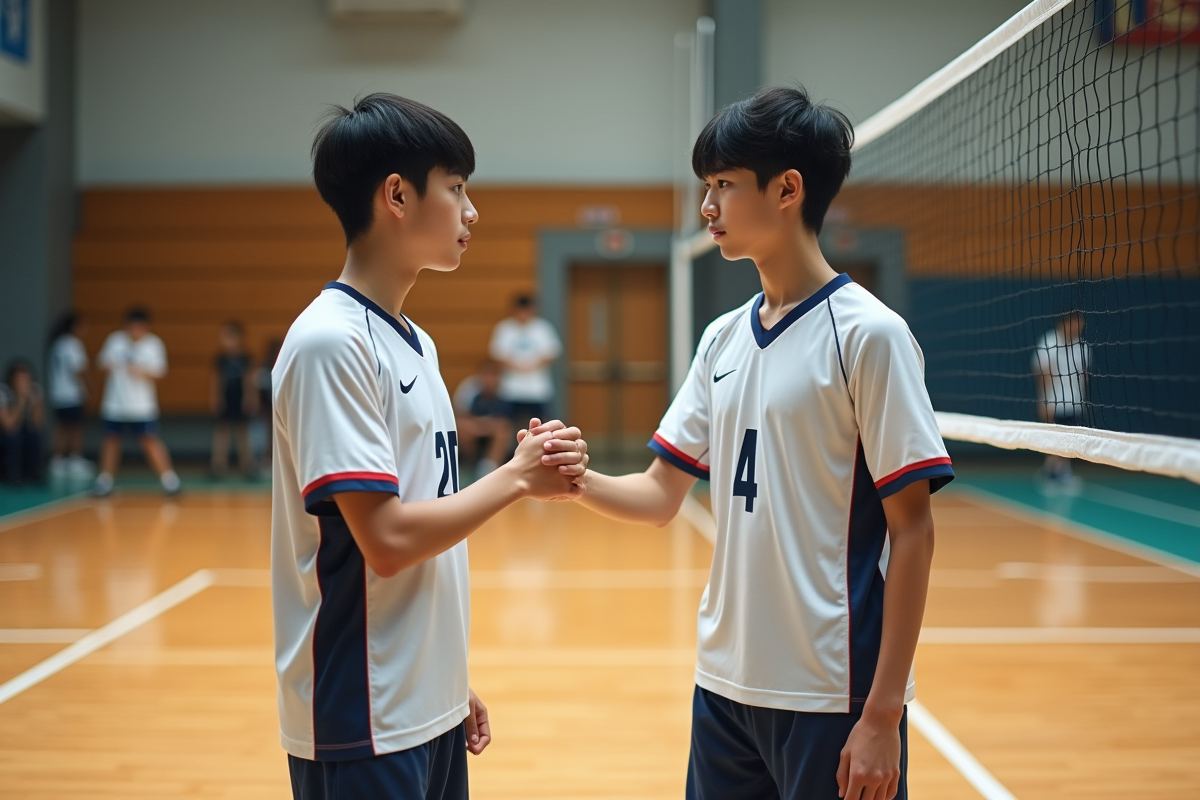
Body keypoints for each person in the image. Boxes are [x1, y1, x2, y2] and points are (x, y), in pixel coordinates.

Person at [561, 87, 953, 800]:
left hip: (831, 694)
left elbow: (914, 530)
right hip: (724, 684)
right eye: (705, 187)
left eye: (722, 186)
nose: (706, 207)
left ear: (788, 190)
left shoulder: (869, 335)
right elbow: (658, 497)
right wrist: (573, 477)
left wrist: (883, 712)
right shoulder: (722, 337)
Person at [273, 93, 587, 800]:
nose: (472, 212)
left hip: (421, 702)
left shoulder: (415, 341)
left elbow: (423, 521)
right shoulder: (332, 342)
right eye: (456, 188)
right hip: (364, 712)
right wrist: (515, 477)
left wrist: (446, 678)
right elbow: (383, 540)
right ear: (396, 196)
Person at [93, 307, 181, 497]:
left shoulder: (154, 344)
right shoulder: (115, 340)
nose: (134, 332)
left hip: (142, 406)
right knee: (111, 441)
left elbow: (159, 372)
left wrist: (141, 371)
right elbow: (101, 364)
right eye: (131, 327)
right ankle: (104, 482)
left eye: (138, 328)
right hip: (115, 404)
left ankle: (170, 482)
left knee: (150, 441)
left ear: (146, 328)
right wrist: (109, 366)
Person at [1032, 311, 1088, 493]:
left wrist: (1082, 400)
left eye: (1081, 325)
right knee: (1053, 438)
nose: (1078, 328)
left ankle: (1060, 472)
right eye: (1075, 324)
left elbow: (1084, 377)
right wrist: (1044, 400)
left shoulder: (1083, 347)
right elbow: (1042, 374)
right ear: (1065, 322)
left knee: (1070, 438)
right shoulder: (1048, 343)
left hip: (1075, 401)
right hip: (1054, 401)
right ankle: (1052, 473)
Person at [488, 294, 562, 425]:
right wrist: (518, 366)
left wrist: (532, 365)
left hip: (538, 389)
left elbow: (552, 353)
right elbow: (497, 354)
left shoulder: (543, 328)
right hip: (510, 388)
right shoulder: (505, 328)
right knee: (503, 425)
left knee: (542, 425)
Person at [46, 311, 94, 479]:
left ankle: (57, 461)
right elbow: (78, 369)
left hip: (58, 393)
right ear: (75, 326)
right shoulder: (73, 344)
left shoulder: (57, 344)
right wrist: (88, 389)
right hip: (71, 394)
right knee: (75, 427)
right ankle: (75, 459)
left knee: (62, 427)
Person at [452, 359, 513, 478]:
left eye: (493, 376)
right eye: (486, 375)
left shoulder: (506, 391)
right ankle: (469, 466)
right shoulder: (468, 389)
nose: (489, 380)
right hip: (474, 429)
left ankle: (489, 469)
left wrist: (485, 425)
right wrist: (480, 425)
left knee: (503, 433)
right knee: (463, 429)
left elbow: (505, 421)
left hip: (494, 431)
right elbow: (461, 416)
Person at [210, 321, 256, 478]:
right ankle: (218, 466)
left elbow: (250, 380)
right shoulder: (220, 359)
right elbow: (217, 380)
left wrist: (250, 398)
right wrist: (216, 398)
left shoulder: (246, 358)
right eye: (225, 336)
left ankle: (247, 465)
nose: (226, 340)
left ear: (239, 338)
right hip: (226, 397)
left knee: (243, 432)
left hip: (241, 398)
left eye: (230, 336)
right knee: (222, 431)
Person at [0, 360, 45, 484]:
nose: (24, 382)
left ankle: (34, 474)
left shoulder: (35, 390)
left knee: (34, 436)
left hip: (24, 428)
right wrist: (20, 400)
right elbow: (8, 425)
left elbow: (38, 423)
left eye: (26, 379)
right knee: (14, 437)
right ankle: (14, 476)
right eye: (20, 379)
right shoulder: (3, 392)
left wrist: (31, 402)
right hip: (5, 432)